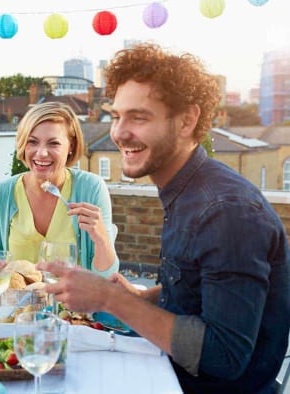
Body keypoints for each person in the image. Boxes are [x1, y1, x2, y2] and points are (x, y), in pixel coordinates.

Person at [39, 43, 290, 393]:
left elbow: (225, 356)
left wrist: (111, 300)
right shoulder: (186, 190)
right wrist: (143, 299)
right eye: (116, 116)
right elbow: (198, 289)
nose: (119, 133)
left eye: (138, 117)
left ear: (187, 120)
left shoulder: (226, 211)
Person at [0, 101, 118, 276]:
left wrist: (101, 238)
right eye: (32, 142)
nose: (41, 153)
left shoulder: (91, 188)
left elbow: (107, 277)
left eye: (53, 143)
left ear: (70, 146)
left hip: (73, 303)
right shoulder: (3, 193)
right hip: (18, 302)